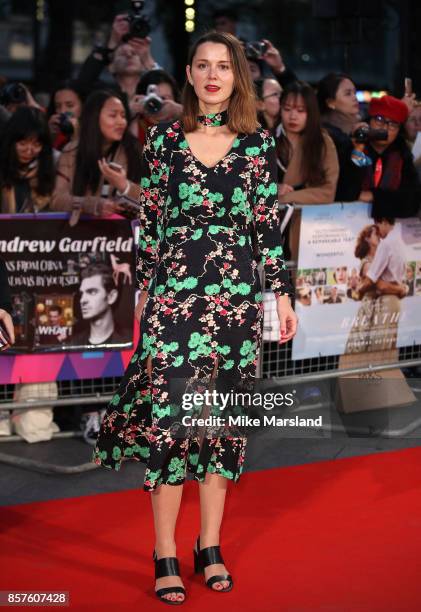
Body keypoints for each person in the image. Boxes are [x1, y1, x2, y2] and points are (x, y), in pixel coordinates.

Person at [93, 31, 297, 604]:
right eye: (203, 65)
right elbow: (153, 227)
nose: (213, 75)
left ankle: (209, 545)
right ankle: (164, 550)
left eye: (224, 67)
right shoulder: (161, 141)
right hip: (175, 306)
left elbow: (266, 232)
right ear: (188, 72)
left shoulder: (258, 146)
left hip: (234, 304)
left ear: (238, 77)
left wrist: (281, 296)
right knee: (174, 426)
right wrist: (142, 298)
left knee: (221, 427)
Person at [51, 90, 142, 226]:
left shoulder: (134, 150)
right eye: (113, 116)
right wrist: (91, 204)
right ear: (94, 118)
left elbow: (154, 202)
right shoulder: (71, 151)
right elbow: (57, 200)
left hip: (122, 238)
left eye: (123, 116)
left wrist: (125, 186)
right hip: (81, 238)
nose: (121, 122)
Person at [276, 80, 340, 259]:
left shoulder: (322, 142)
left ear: (311, 113)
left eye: (300, 111)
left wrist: (287, 197)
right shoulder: (265, 139)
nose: (292, 116)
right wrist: (273, 188)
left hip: (307, 228)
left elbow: (327, 192)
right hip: (266, 228)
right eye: (287, 109)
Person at [359, 95, 421, 219]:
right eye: (379, 119)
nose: (385, 127)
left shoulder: (402, 154)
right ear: (369, 122)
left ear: (399, 130)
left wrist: (374, 196)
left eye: (393, 124)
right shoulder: (355, 147)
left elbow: (411, 201)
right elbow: (347, 190)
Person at [77, 14, 159, 103]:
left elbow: (167, 89)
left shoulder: (153, 94)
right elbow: (82, 84)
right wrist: (111, 46)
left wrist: (148, 61)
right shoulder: (102, 95)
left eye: (134, 53)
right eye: (123, 54)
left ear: (143, 65)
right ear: (111, 67)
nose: (129, 55)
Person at [357, 217, 407, 352]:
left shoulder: (385, 250)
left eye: (378, 229)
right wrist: (401, 289)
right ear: (367, 239)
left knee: (381, 346)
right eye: (375, 233)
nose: (378, 234)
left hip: (383, 304)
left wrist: (359, 290)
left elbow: (382, 284)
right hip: (374, 308)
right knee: (378, 346)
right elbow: (381, 284)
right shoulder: (367, 262)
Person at [317, 72, 368, 202]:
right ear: (330, 102)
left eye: (354, 93)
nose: (354, 98)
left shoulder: (359, 127)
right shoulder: (328, 135)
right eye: (347, 94)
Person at [0, 106, 55, 213]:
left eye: (37, 144)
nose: (29, 151)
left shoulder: (47, 171)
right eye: (22, 143)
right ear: (10, 142)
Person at [70, 263, 128, 347]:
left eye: (92, 292)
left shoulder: (130, 340)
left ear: (111, 297)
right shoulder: (74, 343)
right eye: (82, 293)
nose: (82, 300)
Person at [131, 69, 183, 143]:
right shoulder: (134, 124)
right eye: (154, 98)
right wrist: (129, 113)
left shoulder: (184, 121)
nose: (157, 103)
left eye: (163, 98)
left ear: (175, 99)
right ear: (143, 99)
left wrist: (181, 111)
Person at [47, 80, 84, 151]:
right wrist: (49, 137)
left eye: (70, 105)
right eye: (58, 106)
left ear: (83, 105)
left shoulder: (96, 134)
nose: (62, 111)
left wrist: (76, 137)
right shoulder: (58, 135)